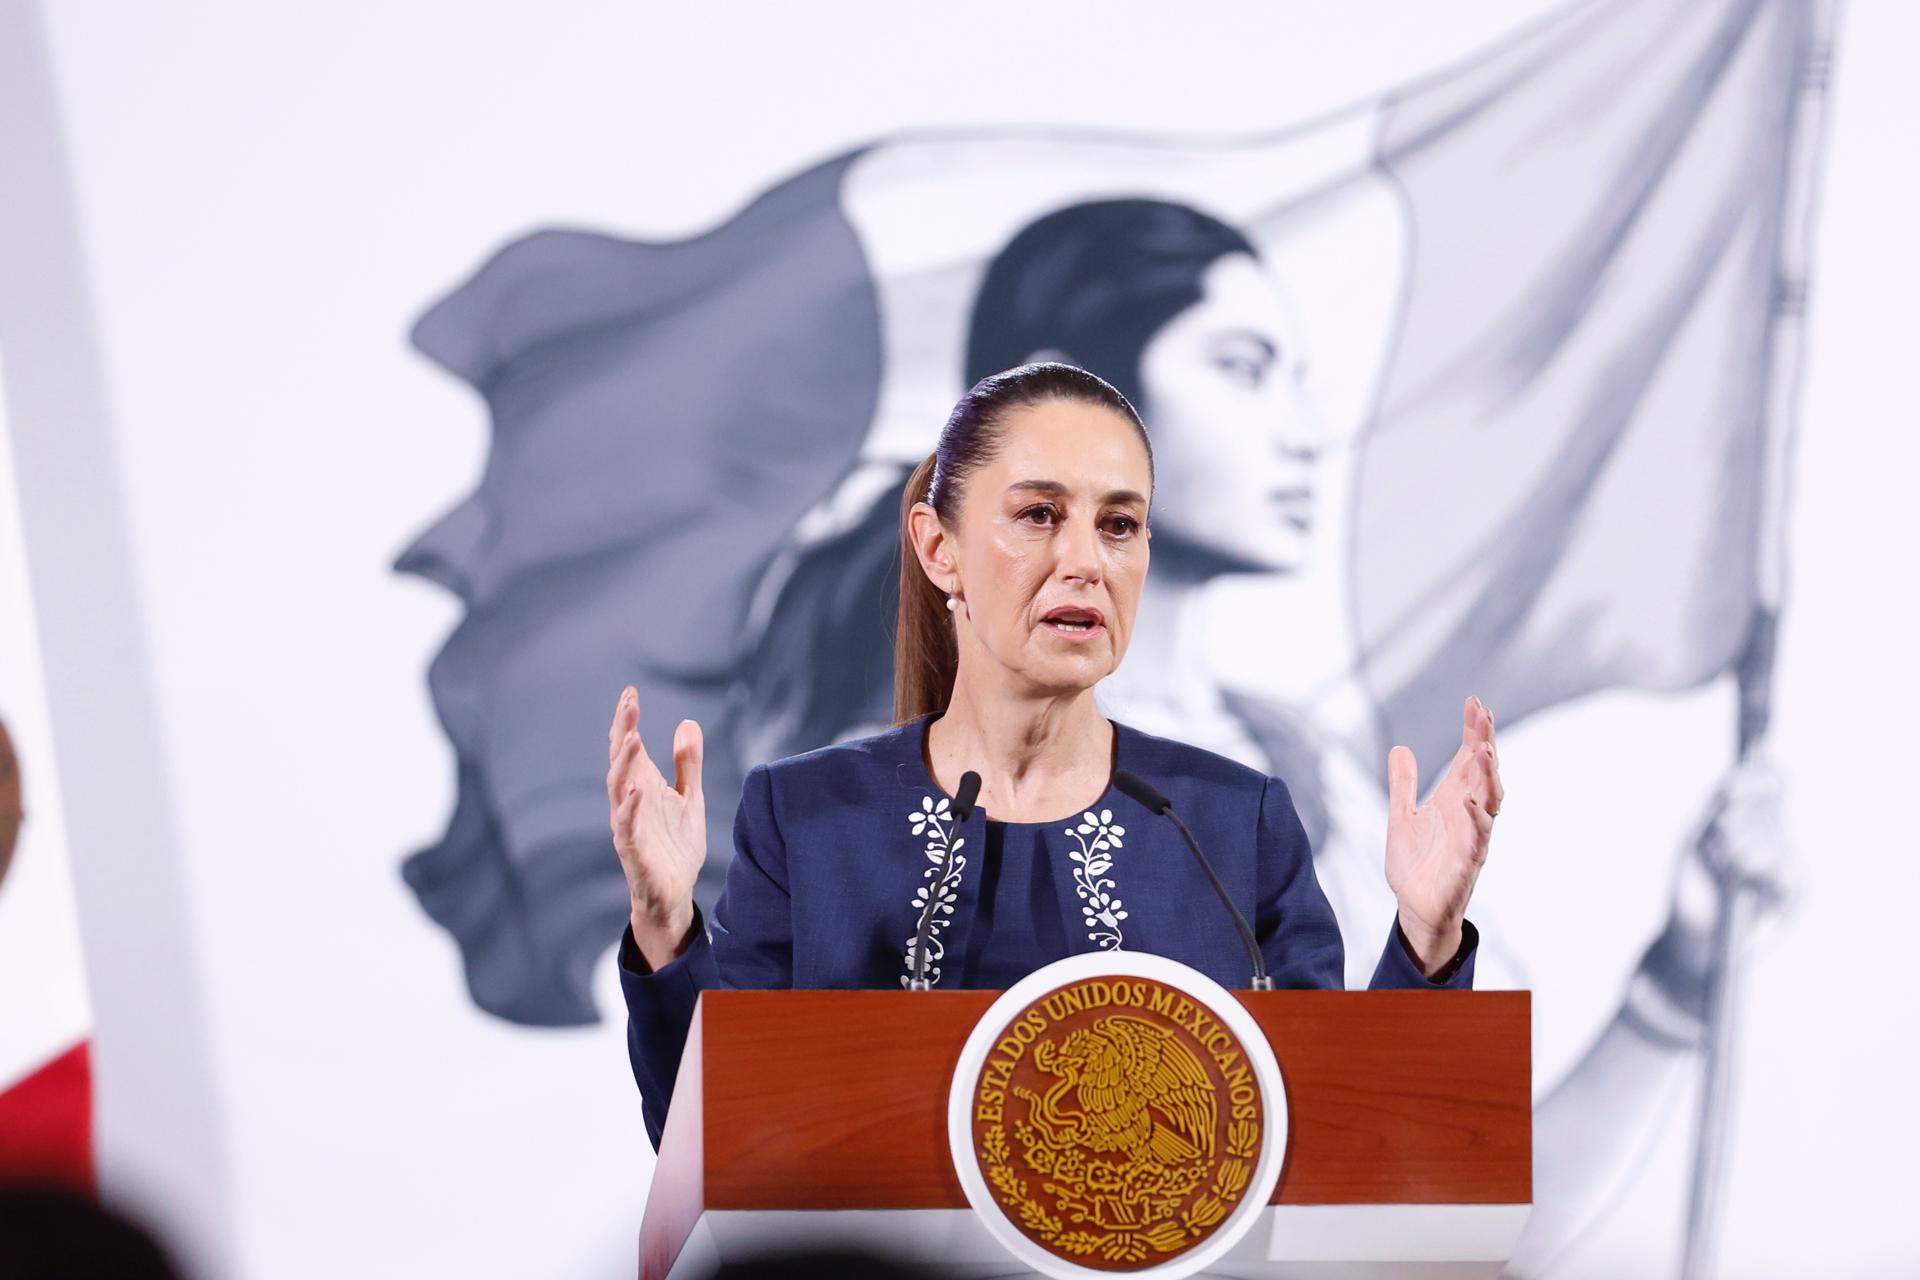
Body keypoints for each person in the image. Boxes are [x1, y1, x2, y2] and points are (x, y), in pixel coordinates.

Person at [609, 363, 1504, 1143]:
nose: (1085, 561)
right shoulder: (809, 818)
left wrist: (1426, 939)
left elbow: (1343, 1129)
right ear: (939, 548)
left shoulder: (1233, 821)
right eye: (1039, 515)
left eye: (1119, 526)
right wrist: (663, 922)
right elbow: (712, 1131)